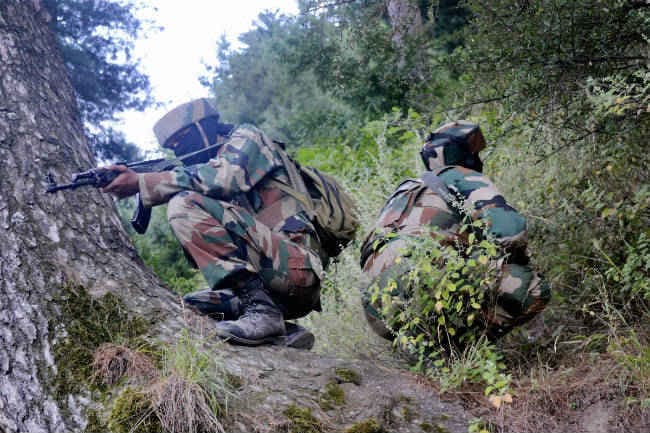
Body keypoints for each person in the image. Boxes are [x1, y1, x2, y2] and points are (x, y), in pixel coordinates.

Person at [102, 98, 330, 349]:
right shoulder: (208, 175)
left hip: (297, 270)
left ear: (203, 127)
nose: (179, 150)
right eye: (172, 147)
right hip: (269, 284)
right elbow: (207, 257)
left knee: (182, 203)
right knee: (191, 306)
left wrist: (144, 183)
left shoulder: (248, 137)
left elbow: (226, 177)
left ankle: (264, 314)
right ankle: (284, 332)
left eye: (182, 140)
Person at [359, 120, 550, 343]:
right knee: (533, 287)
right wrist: (513, 259)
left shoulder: (406, 190)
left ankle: (433, 348)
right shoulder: (460, 176)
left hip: (377, 310)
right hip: (422, 280)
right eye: (474, 153)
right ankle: (466, 349)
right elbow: (511, 232)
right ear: (463, 154)